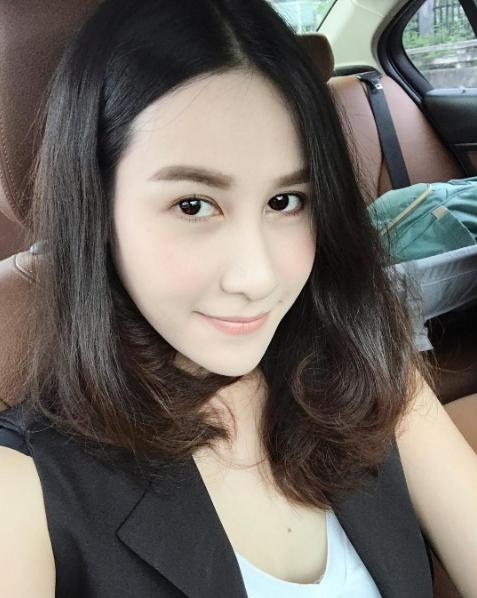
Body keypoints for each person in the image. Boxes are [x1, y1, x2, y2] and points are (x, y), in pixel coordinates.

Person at [0, 0, 476, 596]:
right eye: (193, 205)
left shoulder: (369, 371)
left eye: (285, 202)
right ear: (98, 208)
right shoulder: (21, 485)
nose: (256, 277)